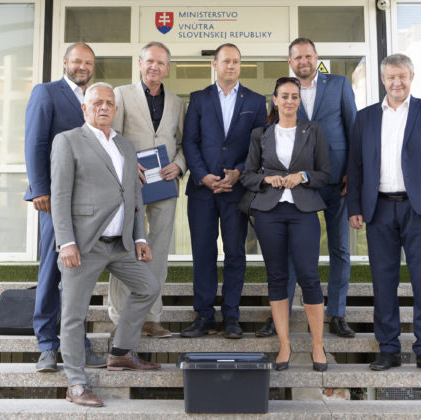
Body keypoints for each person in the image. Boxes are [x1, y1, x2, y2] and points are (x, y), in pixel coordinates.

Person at [51, 83, 161, 407]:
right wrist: (66, 242)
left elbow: (134, 194)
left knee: (148, 287)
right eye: (97, 102)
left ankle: (122, 352)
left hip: (121, 244)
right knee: (74, 314)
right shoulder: (68, 140)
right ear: (84, 108)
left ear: (115, 109)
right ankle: (75, 384)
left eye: (109, 103)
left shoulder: (125, 145)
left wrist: (140, 237)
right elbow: (59, 196)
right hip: (84, 244)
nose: (103, 107)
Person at [347, 54, 421, 373]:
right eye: (391, 77)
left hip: (420, 209)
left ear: (411, 78)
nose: (397, 82)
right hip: (379, 209)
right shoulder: (365, 118)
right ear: (383, 79)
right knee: (383, 283)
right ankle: (389, 349)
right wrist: (355, 207)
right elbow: (355, 166)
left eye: (402, 76)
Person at [257, 37, 357, 338]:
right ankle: (281, 314)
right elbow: (275, 137)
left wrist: (353, 173)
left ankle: (336, 312)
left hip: (336, 179)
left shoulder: (339, 85)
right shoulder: (285, 91)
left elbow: (353, 129)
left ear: (316, 58)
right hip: (296, 183)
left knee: (340, 247)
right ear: (290, 62)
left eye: (308, 56)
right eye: (298, 57)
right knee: (289, 250)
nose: (304, 61)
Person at [24, 42, 106, 371]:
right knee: (51, 271)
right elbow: (35, 142)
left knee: (78, 276)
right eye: (77, 61)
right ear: (65, 62)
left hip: (86, 203)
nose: (82, 67)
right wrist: (40, 189)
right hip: (54, 200)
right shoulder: (46, 93)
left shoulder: (95, 99)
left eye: (88, 62)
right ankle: (46, 344)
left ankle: (77, 344)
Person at [241, 77, 330, 372]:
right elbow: (248, 175)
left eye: (294, 96)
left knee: (309, 276)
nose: (290, 101)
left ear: (299, 101)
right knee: (277, 277)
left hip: (304, 211)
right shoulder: (260, 134)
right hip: (270, 212)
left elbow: (324, 174)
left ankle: (317, 345)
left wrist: (303, 176)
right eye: (284, 96)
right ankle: (284, 345)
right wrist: (267, 179)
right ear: (275, 100)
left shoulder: (313, 130)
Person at [181, 43, 267, 339]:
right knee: (203, 253)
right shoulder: (198, 98)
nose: (231, 66)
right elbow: (190, 141)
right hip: (202, 191)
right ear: (214, 64)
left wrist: (240, 172)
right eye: (226, 61)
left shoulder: (255, 101)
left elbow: (260, 144)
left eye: (236, 61)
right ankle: (204, 315)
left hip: (236, 191)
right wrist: (203, 176)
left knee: (235, 253)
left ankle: (231, 315)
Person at [109, 41, 186, 339]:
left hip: (164, 184)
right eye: (149, 61)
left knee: (159, 249)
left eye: (161, 63)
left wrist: (179, 165)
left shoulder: (177, 103)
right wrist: (128, 164)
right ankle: (120, 317)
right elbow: (111, 136)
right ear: (140, 64)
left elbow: (184, 143)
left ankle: (152, 317)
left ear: (168, 68)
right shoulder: (121, 94)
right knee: (125, 247)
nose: (155, 67)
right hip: (130, 182)